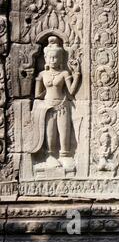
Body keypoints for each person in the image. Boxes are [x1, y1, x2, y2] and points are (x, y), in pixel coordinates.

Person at [31, 36, 81, 171]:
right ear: (45, 59)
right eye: (50, 58)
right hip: (48, 107)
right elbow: (37, 94)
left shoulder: (64, 73)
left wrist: (76, 75)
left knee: (64, 133)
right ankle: (50, 156)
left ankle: (65, 156)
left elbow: (71, 91)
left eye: (56, 57)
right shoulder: (42, 74)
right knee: (50, 134)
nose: (52, 60)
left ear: (60, 59)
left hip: (62, 106)